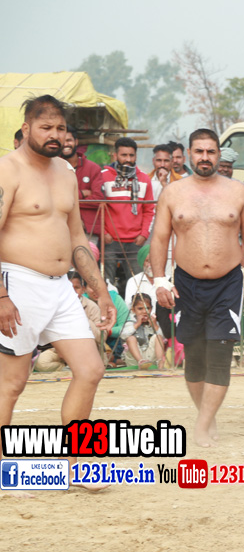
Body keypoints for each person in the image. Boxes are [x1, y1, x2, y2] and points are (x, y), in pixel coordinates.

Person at [0, 96, 116, 489]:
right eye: (46, 127)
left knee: (91, 370)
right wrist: (1, 297)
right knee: (11, 384)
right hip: (17, 283)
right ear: (27, 128)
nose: (55, 135)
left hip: (61, 285)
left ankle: (77, 464)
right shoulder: (7, 170)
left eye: (60, 128)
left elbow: (77, 236)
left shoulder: (66, 172)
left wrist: (100, 290)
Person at [151, 128, 244, 447]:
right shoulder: (172, 193)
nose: (205, 157)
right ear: (189, 154)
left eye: (210, 151)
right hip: (186, 284)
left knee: (220, 353)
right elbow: (160, 239)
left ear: (219, 154)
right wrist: (160, 281)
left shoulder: (238, 192)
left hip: (228, 283)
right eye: (199, 151)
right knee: (194, 356)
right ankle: (207, 415)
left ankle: (202, 424)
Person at [93, 137, 155, 292]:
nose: (128, 159)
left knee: (137, 283)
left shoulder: (144, 179)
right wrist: (103, 232)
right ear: (115, 156)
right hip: (110, 240)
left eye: (131, 155)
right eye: (124, 155)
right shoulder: (103, 176)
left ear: (136, 156)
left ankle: (136, 308)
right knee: (106, 282)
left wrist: (144, 234)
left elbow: (149, 210)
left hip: (135, 241)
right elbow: (97, 208)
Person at [60, 130, 102, 234]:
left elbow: (98, 199)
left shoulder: (93, 168)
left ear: (76, 142)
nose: (65, 144)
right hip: (60, 227)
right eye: (62, 141)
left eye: (69, 140)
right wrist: (82, 193)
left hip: (88, 229)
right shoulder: (52, 168)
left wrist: (68, 201)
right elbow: (52, 198)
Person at [121, 293, 166, 369]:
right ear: (133, 310)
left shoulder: (154, 322)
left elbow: (163, 337)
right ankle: (141, 362)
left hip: (150, 357)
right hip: (134, 359)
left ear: (151, 309)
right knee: (130, 338)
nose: (144, 311)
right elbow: (123, 335)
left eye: (147, 308)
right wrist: (137, 324)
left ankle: (160, 363)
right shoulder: (130, 323)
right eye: (140, 309)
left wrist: (155, 325)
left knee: (158, 337)